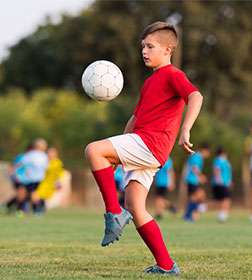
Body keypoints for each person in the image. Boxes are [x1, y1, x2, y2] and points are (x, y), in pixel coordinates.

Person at [84, 21, 203, 275]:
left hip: (151, 142)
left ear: (168, 50)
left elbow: (196, 96)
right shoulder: (151, 82)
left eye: (150, 46)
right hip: (146, 147)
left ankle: (112, 213)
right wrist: (116, 153)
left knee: (93, 150)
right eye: (143, 47)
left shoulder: (173, 74)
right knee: (136, 206)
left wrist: (186, 129)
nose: (144, 51)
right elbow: (136, 119)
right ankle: (166, 265)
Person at [16, 138, 48, 214]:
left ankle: (21, 210)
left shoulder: (30, 155)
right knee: (33, 194)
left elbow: (20, 164)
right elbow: (45, 167)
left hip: (27, 179)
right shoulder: (42, 156)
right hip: (36, 179)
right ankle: (37, 210)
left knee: (26, 194)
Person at [183, 143, 210, 222]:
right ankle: (189, 214)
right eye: (208, 152)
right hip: (191, 179)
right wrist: (201, 176)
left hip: (192, 180)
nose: (208, 155)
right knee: (198, 196)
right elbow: (194, 168)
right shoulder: (197, 156)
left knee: (196, 197)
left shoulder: (197, 156)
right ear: (205, 150)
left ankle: (189, 215)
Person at [32, 147, 64, 213]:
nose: (50, 154)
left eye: (52, 153)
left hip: (50, 183)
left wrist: (58, 183)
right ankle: (38, 210)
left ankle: (39, 210)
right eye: (49, 152)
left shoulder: (57, 163)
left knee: (40, 196)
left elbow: (59, 174)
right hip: (42, 181)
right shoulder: (44, 160)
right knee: (37, 196)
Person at [211, 147, 233, 223]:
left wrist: (229, 181)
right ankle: (222, 214)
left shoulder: (224, 161)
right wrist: (220, 181)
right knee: (226, 199)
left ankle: (222, 214)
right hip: (221, 183)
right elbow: (217, 170)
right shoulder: (219, 160)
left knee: (222, 200)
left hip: (224, 183)